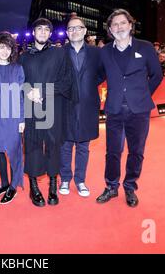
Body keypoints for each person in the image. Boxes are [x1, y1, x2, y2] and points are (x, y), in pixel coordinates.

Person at [96, 9, 163, 207]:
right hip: (114, 108)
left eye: (122, 23)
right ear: (110, 29)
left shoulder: (145, 47)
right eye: (114, 24)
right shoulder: (105, 51)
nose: (119, 27)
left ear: (130, 25)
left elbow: (157, 75)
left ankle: (130, 186)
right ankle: (111, 186)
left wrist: (143, 95)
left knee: (136, 151)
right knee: (113, 151)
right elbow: (99, 76)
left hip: (139, 110)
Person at [19, 18, 73, 207]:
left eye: (46, 29)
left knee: (53, 145)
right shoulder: (24, 56)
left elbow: (67, 82)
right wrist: (28, 91)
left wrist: (42, 91)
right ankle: (34, 186)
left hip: (54, 106)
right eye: (39, 29)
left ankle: (52, 185)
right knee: (32, 145)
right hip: (31, 108)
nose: (42, 32)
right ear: (33, 33)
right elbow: (18, 81)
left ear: (50, 34)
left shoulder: (60, 54)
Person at [59, 15, 104, 197]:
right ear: (67, 33)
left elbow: (102, 74)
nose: (74, 31)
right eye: (70, 29)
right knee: (65, 145)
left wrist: (88, 85)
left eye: (78, 28)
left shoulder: (96, 53)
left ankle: (80, 180)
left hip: (88, 104)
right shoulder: (60, 53)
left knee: (83, 146)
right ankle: (65, 179)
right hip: (65, 104)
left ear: (85, 31)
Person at [0, 32, 25, 204]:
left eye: (8, 47)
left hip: (13, 116)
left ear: (12, 50)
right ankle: (4, 183)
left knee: (13, 152)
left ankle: (13, 187)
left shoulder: (18, 69)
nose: (4, 51)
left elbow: (21, 95)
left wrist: (22, 119)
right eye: (1, 47)